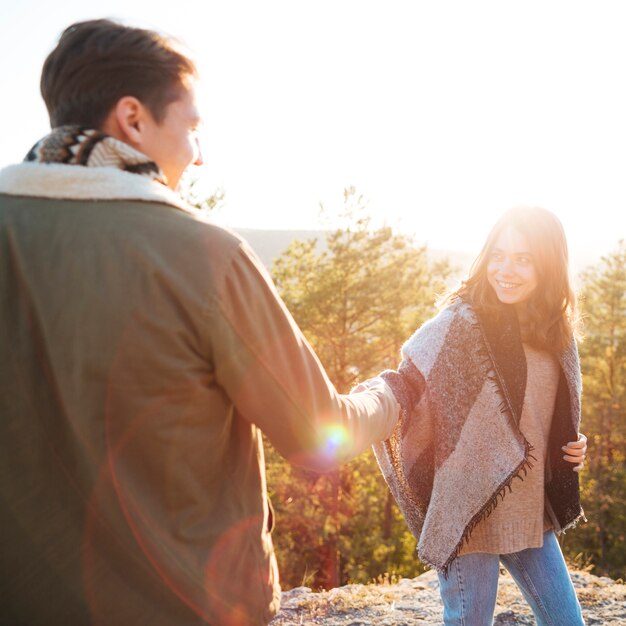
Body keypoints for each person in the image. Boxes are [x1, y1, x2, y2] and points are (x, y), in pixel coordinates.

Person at [0, 19, 399, 626]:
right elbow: (318, 433)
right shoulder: (202, 254)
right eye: (191, 127)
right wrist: (394, 394)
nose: (200, 153)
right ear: (132, 119)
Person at [369, 207, 588, 625]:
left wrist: (573, 444)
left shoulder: (555, 333)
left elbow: (545, 413)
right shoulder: (460, 323)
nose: (505, 269)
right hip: (468, 513)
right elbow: (406, 382)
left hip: (528, 512)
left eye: (523, 259)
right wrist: (366, 402)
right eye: (498, 255)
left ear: (548, 263)